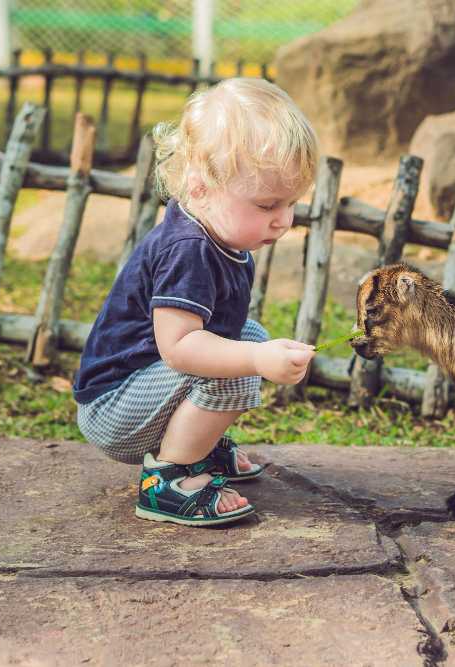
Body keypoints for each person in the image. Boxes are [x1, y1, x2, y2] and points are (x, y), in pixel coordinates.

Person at [73, 78, 318, 526]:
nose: (283, 220)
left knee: (247, 338)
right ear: (201, 186)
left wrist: (253, 351)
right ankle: (168, 479)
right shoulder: (189, 249)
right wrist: (256, 360)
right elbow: (180, 347)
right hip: (115, 409)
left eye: (291, 203)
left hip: (143, 389)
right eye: (267, 205)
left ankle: (197, 445)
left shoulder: (218, 230)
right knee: (239, 370)